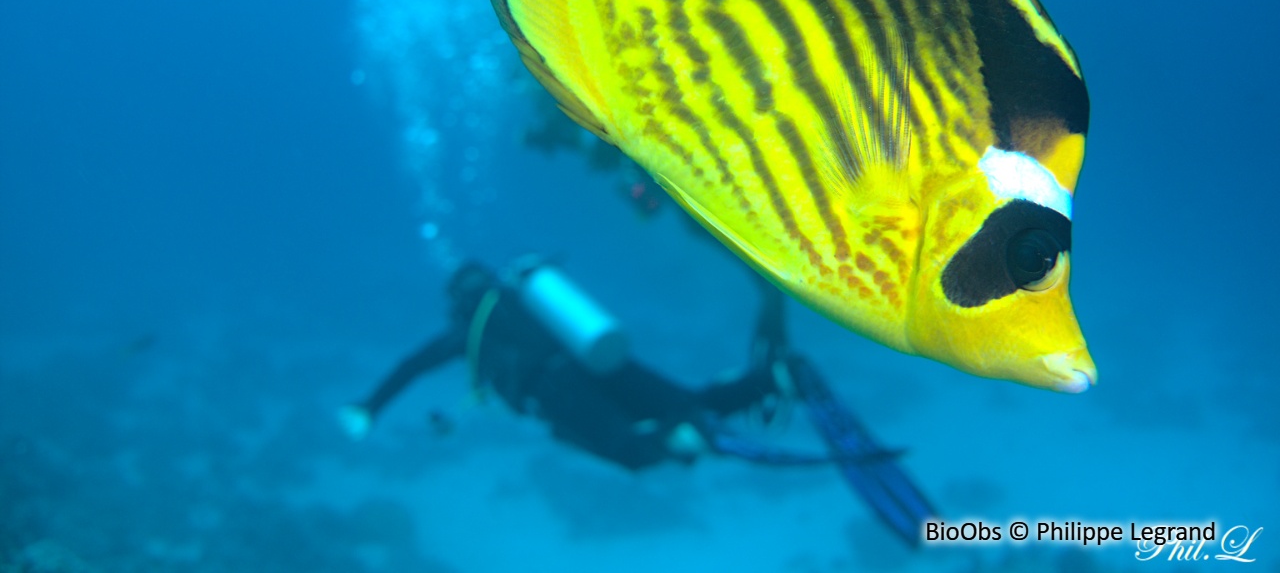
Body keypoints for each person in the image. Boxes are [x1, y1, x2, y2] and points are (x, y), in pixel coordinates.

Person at [342, 259, 938, 545]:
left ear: (458, 305)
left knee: (629, 449)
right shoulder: (529, 305)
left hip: (556, 391)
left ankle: (684, 439)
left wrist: (369, 408)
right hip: (600, 358)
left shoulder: (465, 331)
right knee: (689, 399)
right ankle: (770, 380)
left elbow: (410, 367)